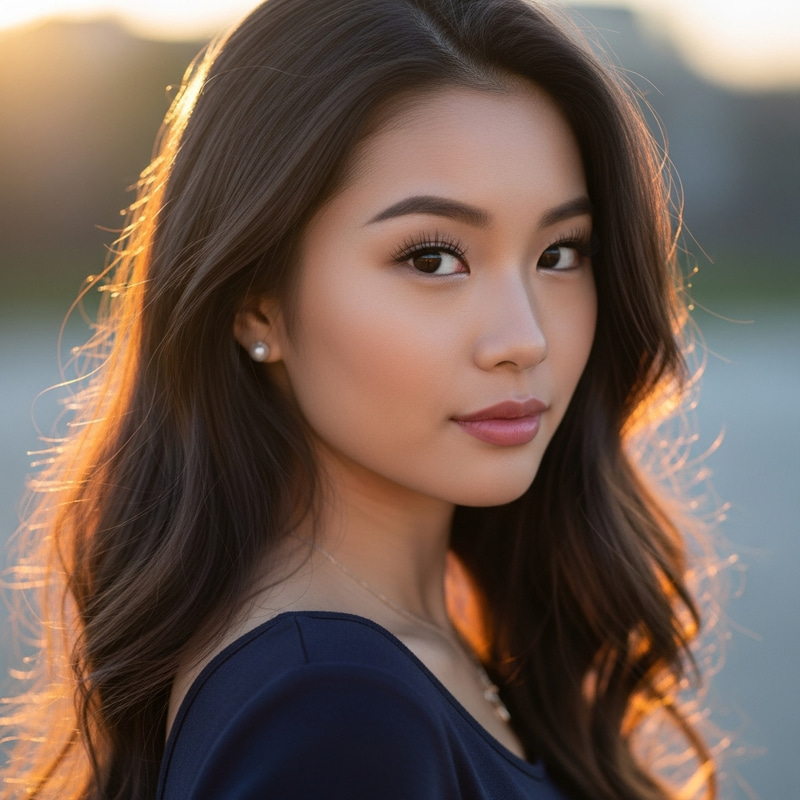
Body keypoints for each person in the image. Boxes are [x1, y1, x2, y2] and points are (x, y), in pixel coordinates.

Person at [3, 0, 717, 798]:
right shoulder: (334, 715)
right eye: (434, 259)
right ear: (256, 302)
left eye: (560, 252)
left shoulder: (417, 664)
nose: (525, 338)